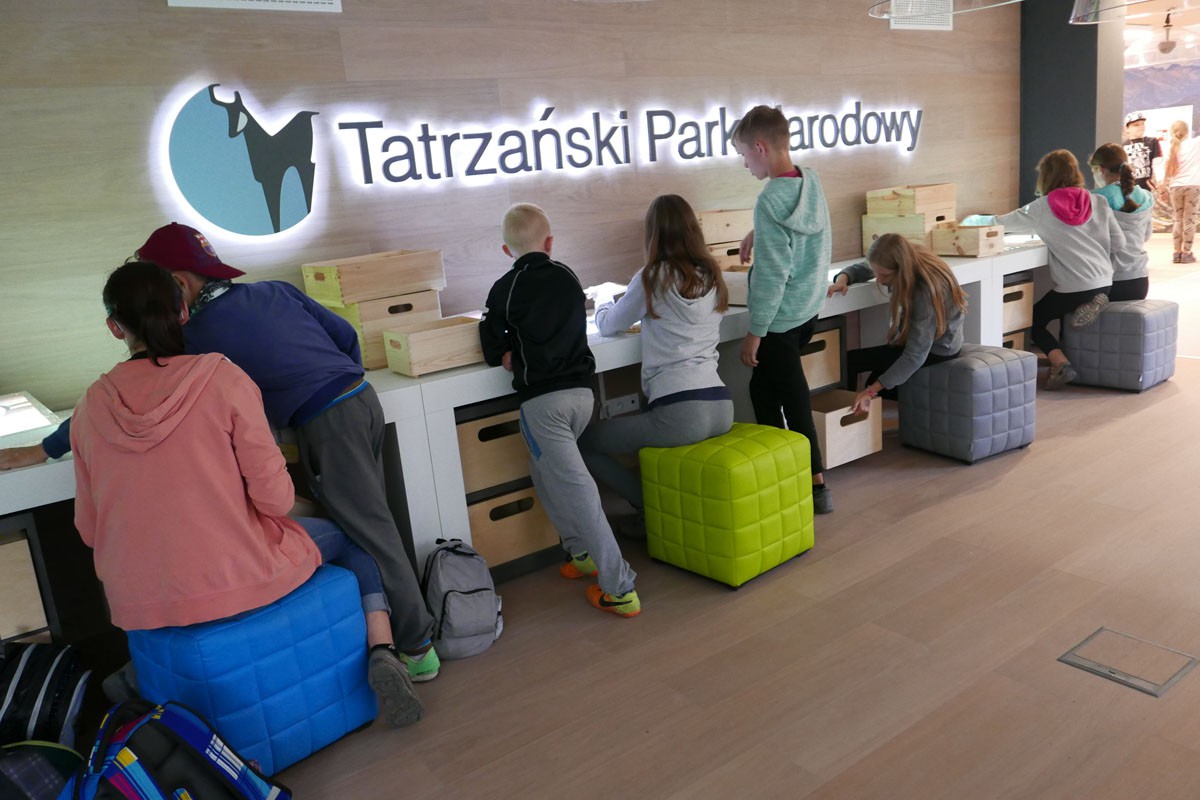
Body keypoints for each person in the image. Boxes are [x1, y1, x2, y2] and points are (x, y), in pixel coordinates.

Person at [3, 224, 440, 682]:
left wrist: (45, 448)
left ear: (178, 285)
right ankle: (390, 640)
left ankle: (417, 645)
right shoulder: (274, 291)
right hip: (361, 398)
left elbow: (120, 399)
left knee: (368, 533)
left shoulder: (197, 340)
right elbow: (344, 334)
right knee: (369, 523)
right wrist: (330, 383)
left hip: (326, 425)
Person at [70, 262, 422, 727]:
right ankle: (385, 649)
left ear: (115, 328)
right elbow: (275, 501)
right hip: (235, 572)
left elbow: (88, 530)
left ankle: (141, 675)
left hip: (137, 598)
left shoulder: (88, 407)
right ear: (183, 312)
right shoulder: (223, 378)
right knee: (354, 538)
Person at [479, 203, 641, 618]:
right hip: (583, 397)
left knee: (576, 489)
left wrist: (505, 352)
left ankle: (620, 587)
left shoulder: (506, 287)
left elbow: (489, 339)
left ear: (506, 250)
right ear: (549, 243)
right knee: (543, 470)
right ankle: (580, 552)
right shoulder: (568, 276)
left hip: (543, 404)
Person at [578, 195, 734, 532]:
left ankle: (648, 507)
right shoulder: (712, 274)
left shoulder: (653, 275)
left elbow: (609, 325)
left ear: (653, 234)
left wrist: (603, 296)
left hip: (681, 413)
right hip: (721, 406)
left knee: (585, 443)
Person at [730, 104, 833, 514]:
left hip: (778, 320)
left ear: (760, 147)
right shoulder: (810, 181)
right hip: (808, 308)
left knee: (792, 399)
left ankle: (816, 485)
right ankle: (784, 472)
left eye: (744, 155)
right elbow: (801, 229)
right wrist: (759, 231)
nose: (744, 164)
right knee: (763, 390)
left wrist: (755, 332)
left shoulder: (769, 200)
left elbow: (772, 275)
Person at [972, 149, 1122, 390]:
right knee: (1066, 308)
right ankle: (1089, 304)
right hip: (1104, 280)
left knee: (1034, 320)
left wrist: (973, 219)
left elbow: (1001, 223)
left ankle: (1060, 363)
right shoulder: (1098, 201)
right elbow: (1119, 243)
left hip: (1074, 285)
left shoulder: (1042, 207)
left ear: (1045, 176)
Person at [828, 234, 966, 414]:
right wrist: (843, 279)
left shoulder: (924, 292)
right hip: (919, 342)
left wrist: (870, 391)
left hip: (938, 349)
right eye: (877, 273)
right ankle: (846, 420)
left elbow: (915, 356)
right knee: (854, 364)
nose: (878, 280)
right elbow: (865, 268)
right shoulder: (906, 258)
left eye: (884, 275)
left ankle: (851, 420)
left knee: (871, 378)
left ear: (902, 270)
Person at [1089, 143, 1153, 300]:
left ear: (1101, 170)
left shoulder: (1096, 198)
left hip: (1108, 281)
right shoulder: (1146, 196)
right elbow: (1146, 235)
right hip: (1140, 279)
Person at [1164, 120, 1200, 264]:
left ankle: (1176, 252)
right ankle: (1186, 253)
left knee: (1178, 220)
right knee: (1189, 219)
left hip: (1175, 187)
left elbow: (1165, 169)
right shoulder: (1195, 144)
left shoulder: (1171, 148)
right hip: (1193, 186)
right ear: (1187, 131)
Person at [1122, 112, 1162, 194]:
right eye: (1136, 125)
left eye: (1142, 124)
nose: (1141, 127)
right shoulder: (1122, 146)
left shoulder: (1152, 142)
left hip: (1148, 190)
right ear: (1127, 128)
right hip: (1129, 190)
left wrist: (1159, 182)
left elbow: (1158, 164)